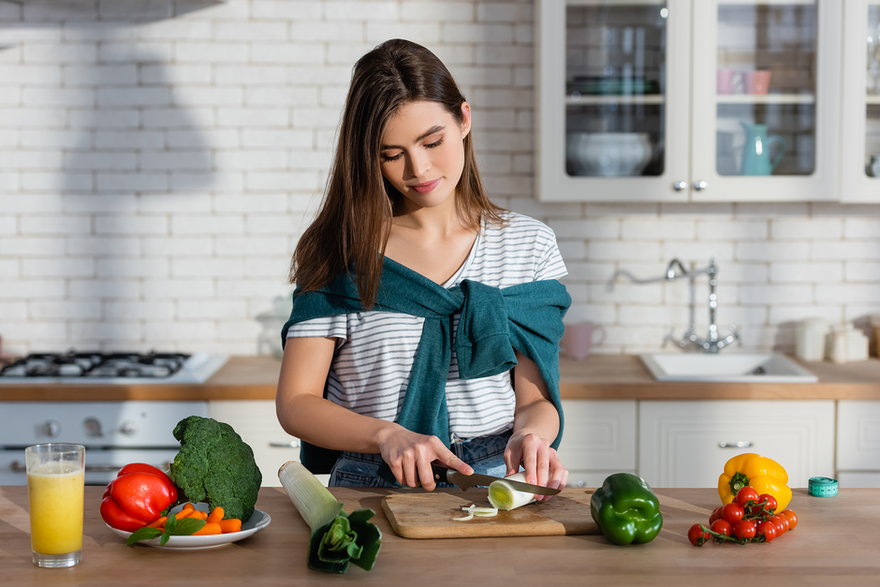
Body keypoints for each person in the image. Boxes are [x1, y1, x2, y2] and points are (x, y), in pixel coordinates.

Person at [275, 38, 571, 494]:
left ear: (464, 119)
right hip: (370, 478)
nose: (419, 169)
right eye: (390, 154)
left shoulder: (527, 245)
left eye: (433, 141)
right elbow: (296, 403)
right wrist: (386, 435)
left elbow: (535, 399)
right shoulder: (340, 252)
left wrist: (532, 436)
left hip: (495, 479)